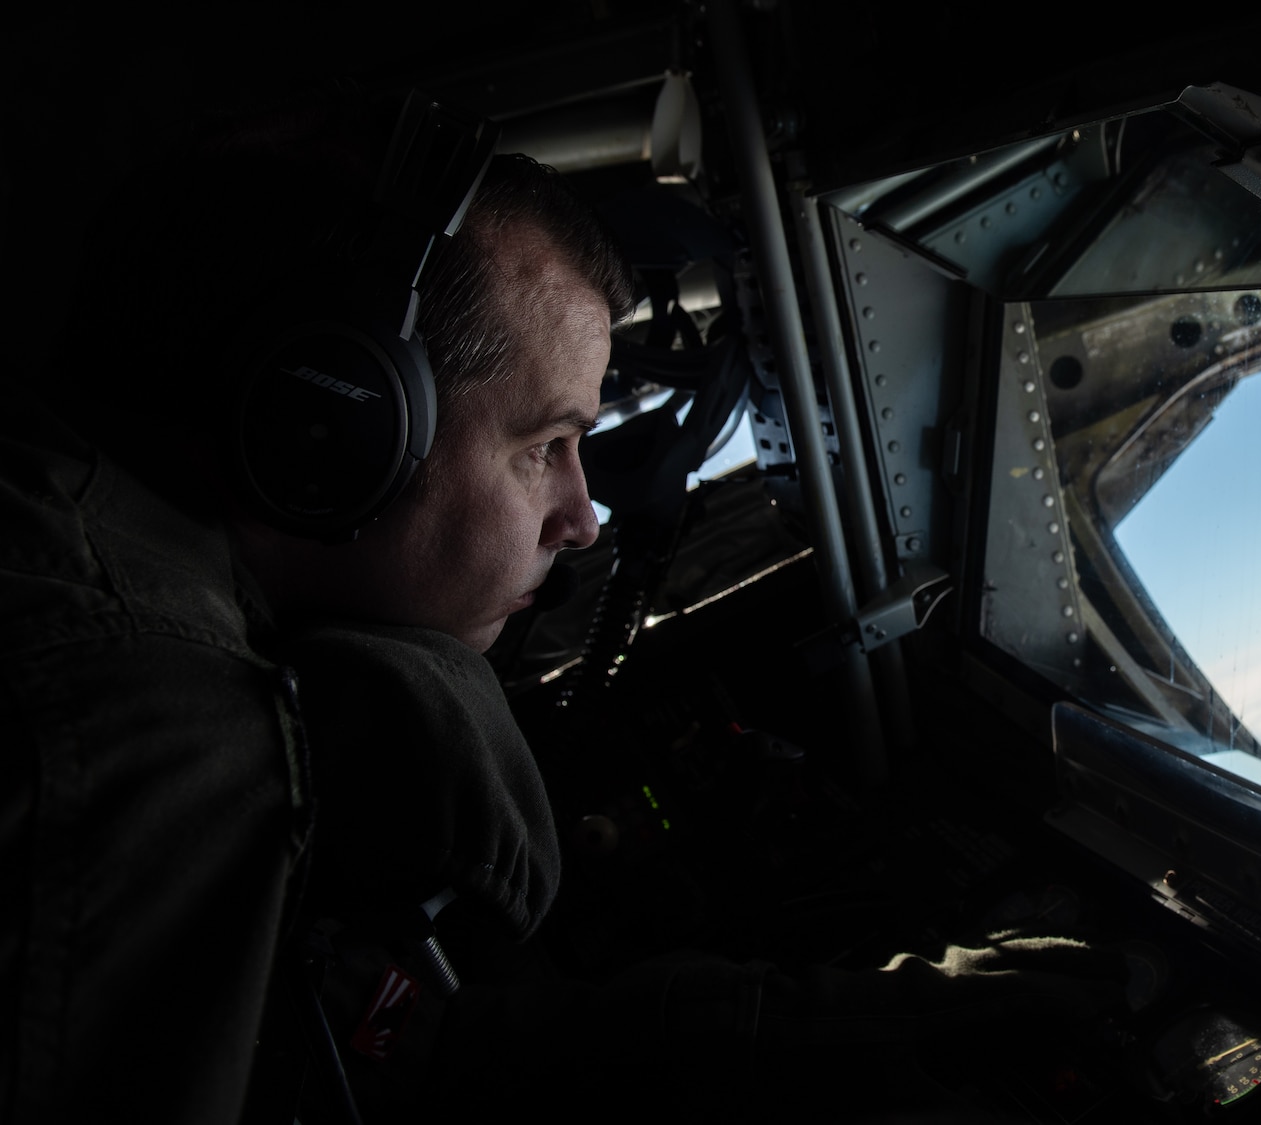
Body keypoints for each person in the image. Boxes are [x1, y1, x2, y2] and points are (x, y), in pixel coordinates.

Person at [0, 92, 1122, 1124]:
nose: (582, 517)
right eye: (546, 445)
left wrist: (788, 1027)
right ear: (334, 427)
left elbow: (382, 1046)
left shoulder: (132, 566)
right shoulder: (137, 722)